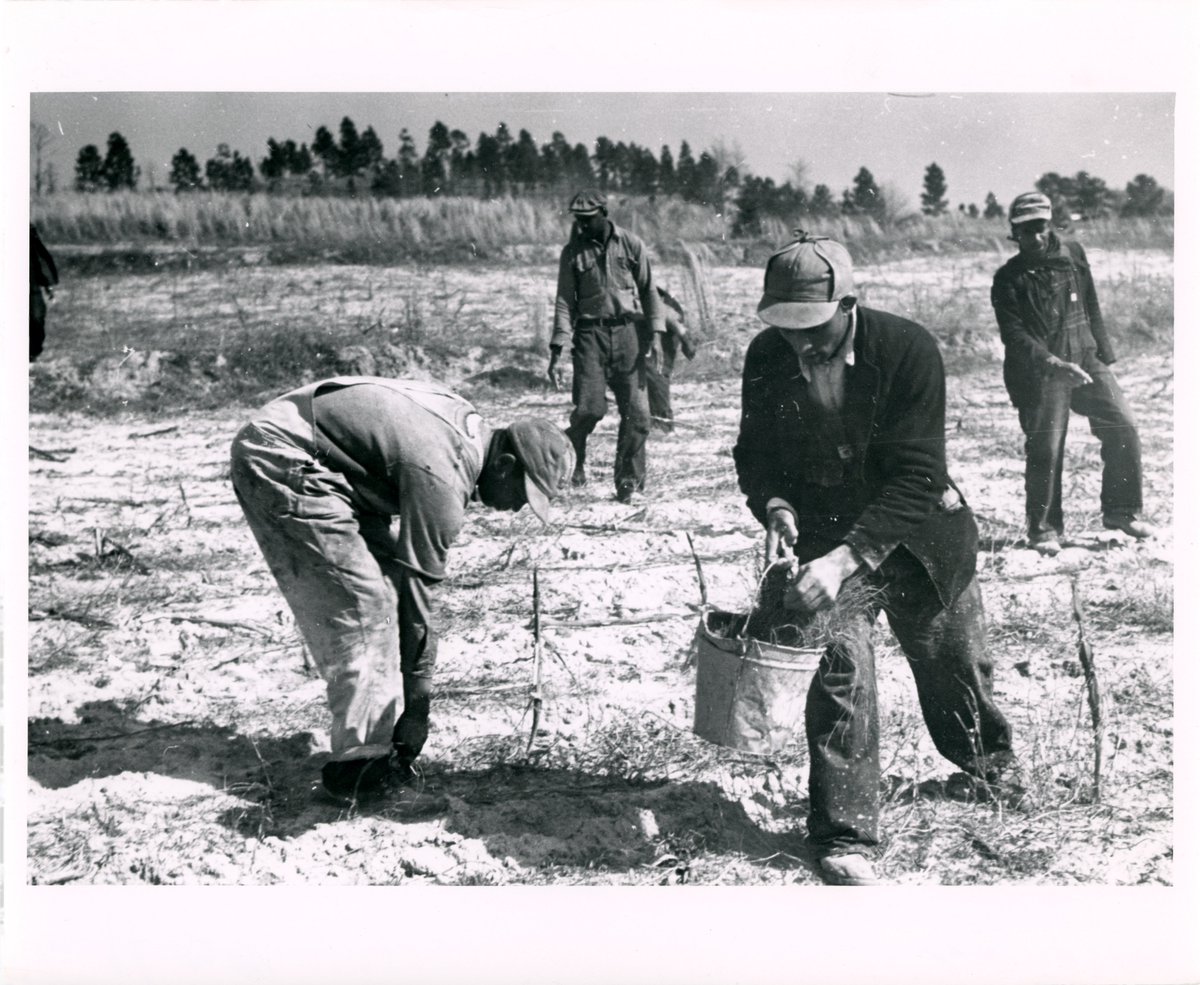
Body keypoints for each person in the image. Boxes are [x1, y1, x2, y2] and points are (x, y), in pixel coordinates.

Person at [733, 233, 1018, 886]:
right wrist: (775, 505)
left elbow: (918, 476)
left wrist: (844, 559)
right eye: (784, 327)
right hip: (824, 537)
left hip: (920, 536)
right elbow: (755, 453)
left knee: (951, 661)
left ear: (848, 303)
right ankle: (845, 833)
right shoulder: (766, 357)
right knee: (839, 672)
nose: (799, 343)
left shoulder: (907, 350)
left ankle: (992, 768)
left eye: (812, 326)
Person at [230, 376, 573, 801]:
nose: (518, 507)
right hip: (283, 454)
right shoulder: (444, 478)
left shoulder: (465, 433)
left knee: (384, 594)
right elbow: (419, 599)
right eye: (523, 493)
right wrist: (419, 708)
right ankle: (360, 770)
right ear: (504, 465)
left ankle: (378, 745)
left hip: (330, 466)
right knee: (366, 610)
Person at [991, 192, 1155, 555]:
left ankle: (1121, 511)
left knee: (1123, 424)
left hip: (1086, 356)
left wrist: (1103, 357)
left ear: (1050, 225)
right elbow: (1014, 336)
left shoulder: (1074, 254)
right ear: (1014, 234)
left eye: (1040, 228)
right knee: (1047, 447)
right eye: (1025, 232)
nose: (1034, 238)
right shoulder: (1007, 279)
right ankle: (1045, 529)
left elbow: (1091, 302)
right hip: (1041, 371)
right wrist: (1053, 364)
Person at [547, 190, 666, 503]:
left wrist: (656, 331)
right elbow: (564, 301)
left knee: (638, 416)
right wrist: (559, 345)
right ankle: (574, 461)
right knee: (589, 410)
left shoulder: (631, 244)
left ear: (604, 213)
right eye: (578, 220)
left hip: (629, 336)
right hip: (590, 338)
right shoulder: (572, 253)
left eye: (588, 219)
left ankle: (628, 484)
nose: (582, 225)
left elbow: (649, 290)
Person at [644, 287, 698, 433]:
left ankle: (662, 425)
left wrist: (683, 334)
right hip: (647, 316)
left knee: (656, 370)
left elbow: (662, 309)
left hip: (665, 317)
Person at [30, 223, 58, 362]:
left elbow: (38, 257)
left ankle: (32, 355)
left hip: (30, 284)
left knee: (36, 318)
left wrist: (48, 285)